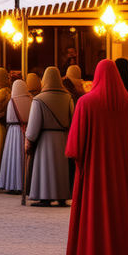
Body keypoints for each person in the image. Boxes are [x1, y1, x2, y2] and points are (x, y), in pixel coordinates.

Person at [64, 59, 128, 255]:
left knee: (94, 212)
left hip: (92, 172)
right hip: (122, 174)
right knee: (118, 212)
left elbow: (74, 146)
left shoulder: (86, 103)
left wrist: (80, 163)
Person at [25, 67, 74, 206]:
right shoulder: (68, 97)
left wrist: (29, 139)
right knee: (61, 168)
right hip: (63, 138)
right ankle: (62, 196)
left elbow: (34, 126)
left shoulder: (39, 99)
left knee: (45, 167)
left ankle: (45, 197)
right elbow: (72, 120)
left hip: (45, 139)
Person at [0, 79, 31, 195]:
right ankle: (25, 183)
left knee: (14, 157)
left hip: (14, 131)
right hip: (26, 130)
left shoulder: (12, 101)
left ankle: (13, 183)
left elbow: (9, 118)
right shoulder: (31, 99)